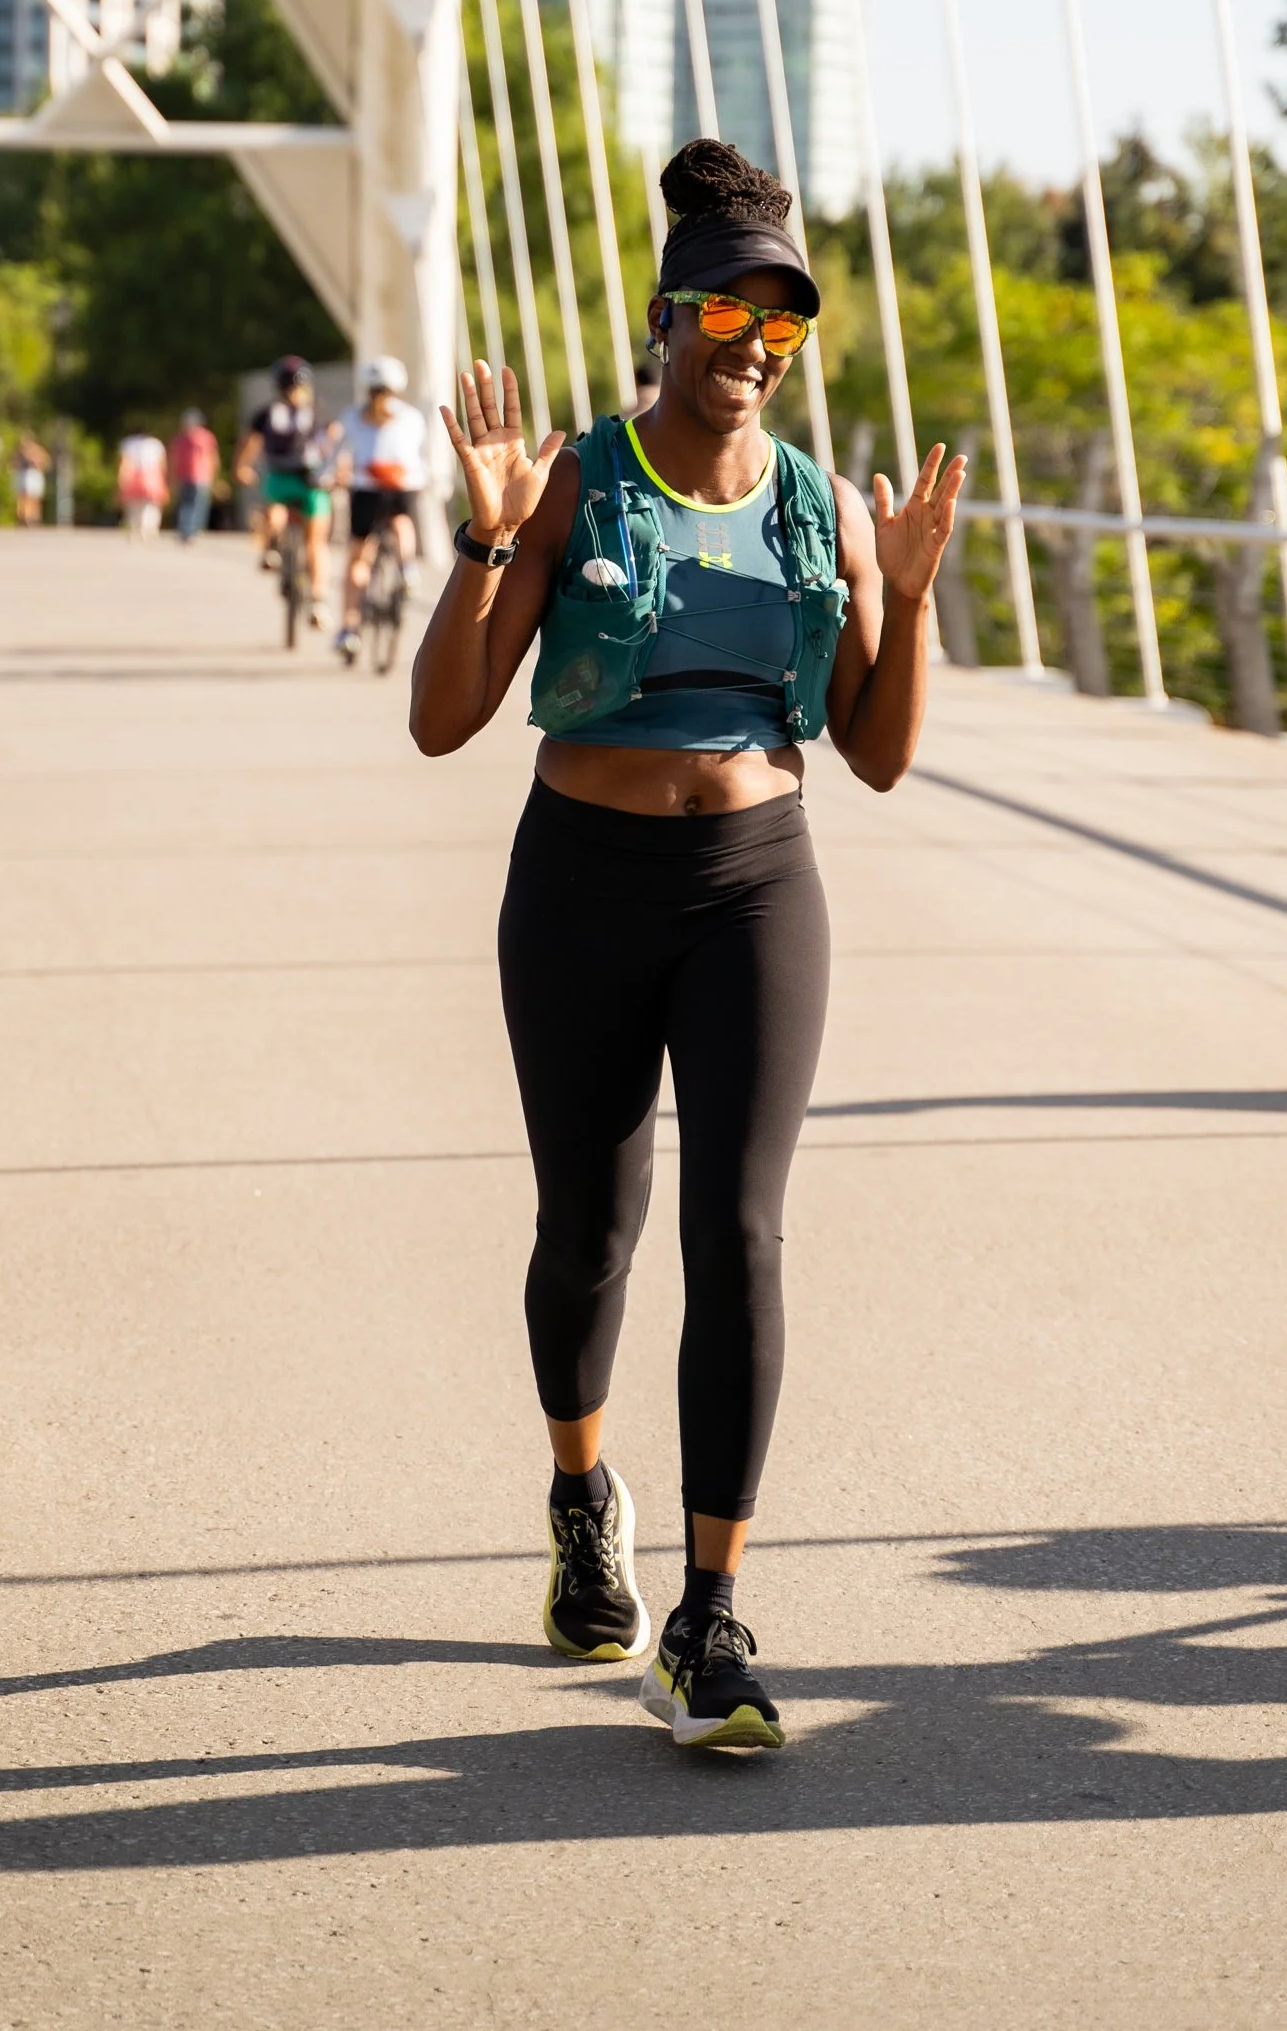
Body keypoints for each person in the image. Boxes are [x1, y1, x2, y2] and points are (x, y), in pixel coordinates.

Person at [409, 140, 965, 1753]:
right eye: (729, 311)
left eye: (783, 322)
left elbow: (875, 753)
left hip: (756, 885)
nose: (754, 345)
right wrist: (488, 541)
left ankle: (711, 1620)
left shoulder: (820, 509)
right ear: (669, 317)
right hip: (579, 881)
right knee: (589, 1228)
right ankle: (585, 1497)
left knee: (740, 1234)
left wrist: (908, 601)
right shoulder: (577, 477)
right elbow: (446, 721)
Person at [333, 356, 429, 664]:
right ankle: (408, 568)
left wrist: (327, 476)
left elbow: (337, 455)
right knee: (402, 523)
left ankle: (349, 629)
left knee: (358, 559)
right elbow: (417, 454)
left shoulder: (353, 416)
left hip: (365, 491)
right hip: (401, 486)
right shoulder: (411, 417)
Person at [236, 358, 334, 620]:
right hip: (310, 480)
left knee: (274, 512)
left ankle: (272, 549)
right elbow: (334, 439)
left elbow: (250, 443)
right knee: (316, 542)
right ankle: (318, 601)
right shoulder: (316, 410)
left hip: (280, 477)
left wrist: (244, 466)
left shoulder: (267, 412)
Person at [170, 409, 220, 543]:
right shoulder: (180, 438)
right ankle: (186, 530)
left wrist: (213, 475)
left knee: (197, 504)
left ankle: (192, 530)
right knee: (186, 504)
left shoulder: (205, 437)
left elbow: (212, 457)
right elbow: (175, 459)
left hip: (201, 476)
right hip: (184, 476)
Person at [117, 428, 167, 540]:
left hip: (132, 475)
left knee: (133, 506)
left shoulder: (127, 442)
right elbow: (162, 464)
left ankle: (134, 528)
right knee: (151, 505)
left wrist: (121, 478)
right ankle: (148, 528)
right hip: (152, 475)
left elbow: (124, 462)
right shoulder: (156, 444)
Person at [13, 434, 49, 525]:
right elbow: (13, 462)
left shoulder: (38, 450)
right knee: (24, 496)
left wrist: (37, 463)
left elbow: (46, 462)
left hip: (34, 474)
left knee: (35, 496)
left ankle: (34, 516)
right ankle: (24, 516)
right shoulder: (19, 452)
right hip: (23, 473)